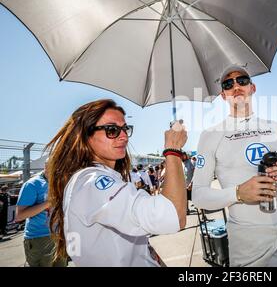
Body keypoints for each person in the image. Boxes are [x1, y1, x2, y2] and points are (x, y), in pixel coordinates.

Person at [192, 65, 277, 267]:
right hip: (251, 248)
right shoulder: (211, 135)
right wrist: (238, 193)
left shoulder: (274, 127)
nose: (236, 86)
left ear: (252, 88)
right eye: (228, 84)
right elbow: (198, 196)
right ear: (223, 95)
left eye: (242, 80)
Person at [45, 99, 187, 266]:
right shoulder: (91, 182)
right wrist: (173, 150)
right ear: (85, 136)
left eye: (125, 128)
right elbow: (172, 217)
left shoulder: (101, 178)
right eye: (112, 130)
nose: (124, 136)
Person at [15, 162, 67, 266]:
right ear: (46, 167)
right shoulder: (32, 184)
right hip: (39, 238)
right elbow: (19, 216)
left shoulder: (59, 182)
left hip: (59, 236)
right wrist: (48, 203)